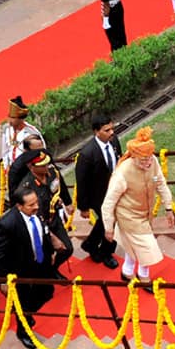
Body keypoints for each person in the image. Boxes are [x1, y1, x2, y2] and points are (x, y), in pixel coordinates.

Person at [102, 127, 175, 292]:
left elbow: (160, 183)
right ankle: (144, 278)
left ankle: (127, 272)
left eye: (149, 158)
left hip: (145, 213)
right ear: (133, 157)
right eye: (143, 160)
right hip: (128, 216)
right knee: (147, 247)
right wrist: (108, 227)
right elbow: (108, 203)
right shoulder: (122, 173)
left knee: (133, 245)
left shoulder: (153, 162)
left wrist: (169, 207)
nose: (148, 163)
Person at [0, 188, 55, 349]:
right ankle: (23, 331)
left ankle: (26, 313)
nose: (36, 206)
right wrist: (4, 278)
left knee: (46, 292)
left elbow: (43, 233)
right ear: (19, 206)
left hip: (40, 263)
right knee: (24, 303)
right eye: (31, 205)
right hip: (20, 270)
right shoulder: (7, 224)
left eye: (36, 202)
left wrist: (51, 251)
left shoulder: (37, 213)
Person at [15, 152, 73, 280]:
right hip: (39, 225)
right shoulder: (27, 187)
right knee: (44, 254)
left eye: (47, 163)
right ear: (31, 167)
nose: (46, 167)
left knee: (67, 249)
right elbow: (32, 214)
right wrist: (52, 238)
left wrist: (67, 202)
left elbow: (60, 185)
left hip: (53, 218)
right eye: (42, 165)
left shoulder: (52, 172)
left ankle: (51, 269)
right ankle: (46, 273)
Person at [75, 114, 121, 270]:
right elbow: (81, 182)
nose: (111, 132)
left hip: (116, 192)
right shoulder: (87, 154)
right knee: (110, 222)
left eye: (112, 128)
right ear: (96, 132)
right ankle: (106, 253)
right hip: (98, 197)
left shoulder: (114, 141)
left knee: (105, 222)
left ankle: (90, 244)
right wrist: (84, 207)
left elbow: (119, 162)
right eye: (107, 130)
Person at [1, 96, 44, 170]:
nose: (9, 120)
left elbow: (41, 154)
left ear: (21, 119)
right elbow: (5, 151)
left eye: (13, 118)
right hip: (12, 171)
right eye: (9, 117)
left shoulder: (32, 133)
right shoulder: (6, 129)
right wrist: (6, 166)